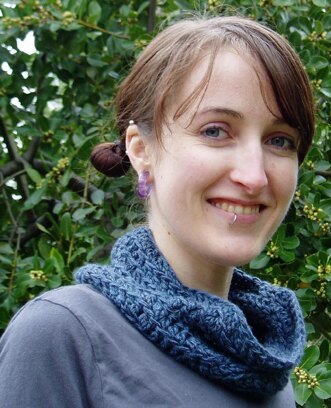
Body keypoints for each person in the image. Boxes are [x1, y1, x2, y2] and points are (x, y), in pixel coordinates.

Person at [0, 15, 314, 407]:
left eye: (280, 140)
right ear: (141, 150)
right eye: (215, 131)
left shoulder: (267, 365)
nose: (254, 176)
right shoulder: (64, 336)